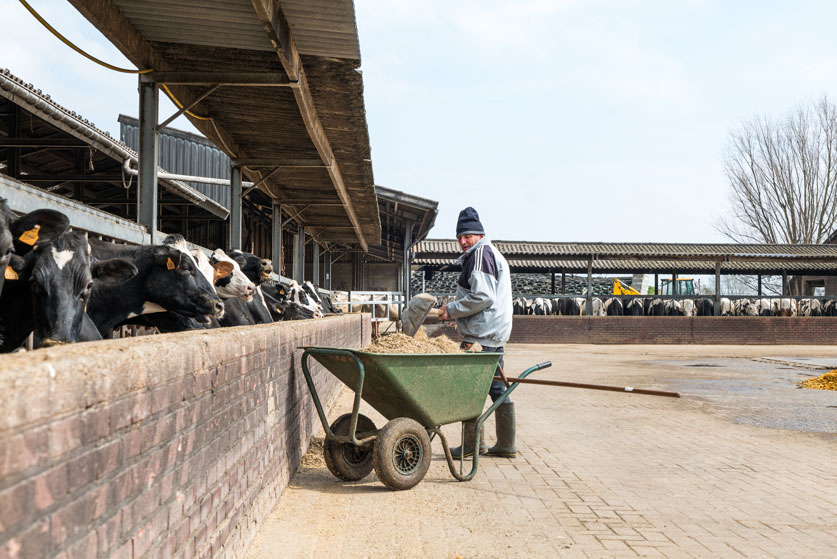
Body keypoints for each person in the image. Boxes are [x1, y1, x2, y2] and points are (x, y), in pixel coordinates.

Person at [439, 207, 515, 458]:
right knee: (496, 387)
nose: (462, 241)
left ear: (479, 234)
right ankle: (505, 444)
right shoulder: (487, 253)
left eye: (467, 236)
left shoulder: (481, 253)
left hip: (483, 334)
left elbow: (483, 296)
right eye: (459, 237)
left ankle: (472, 445)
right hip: (492, 332)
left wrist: (452, 310)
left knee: (469, 389)